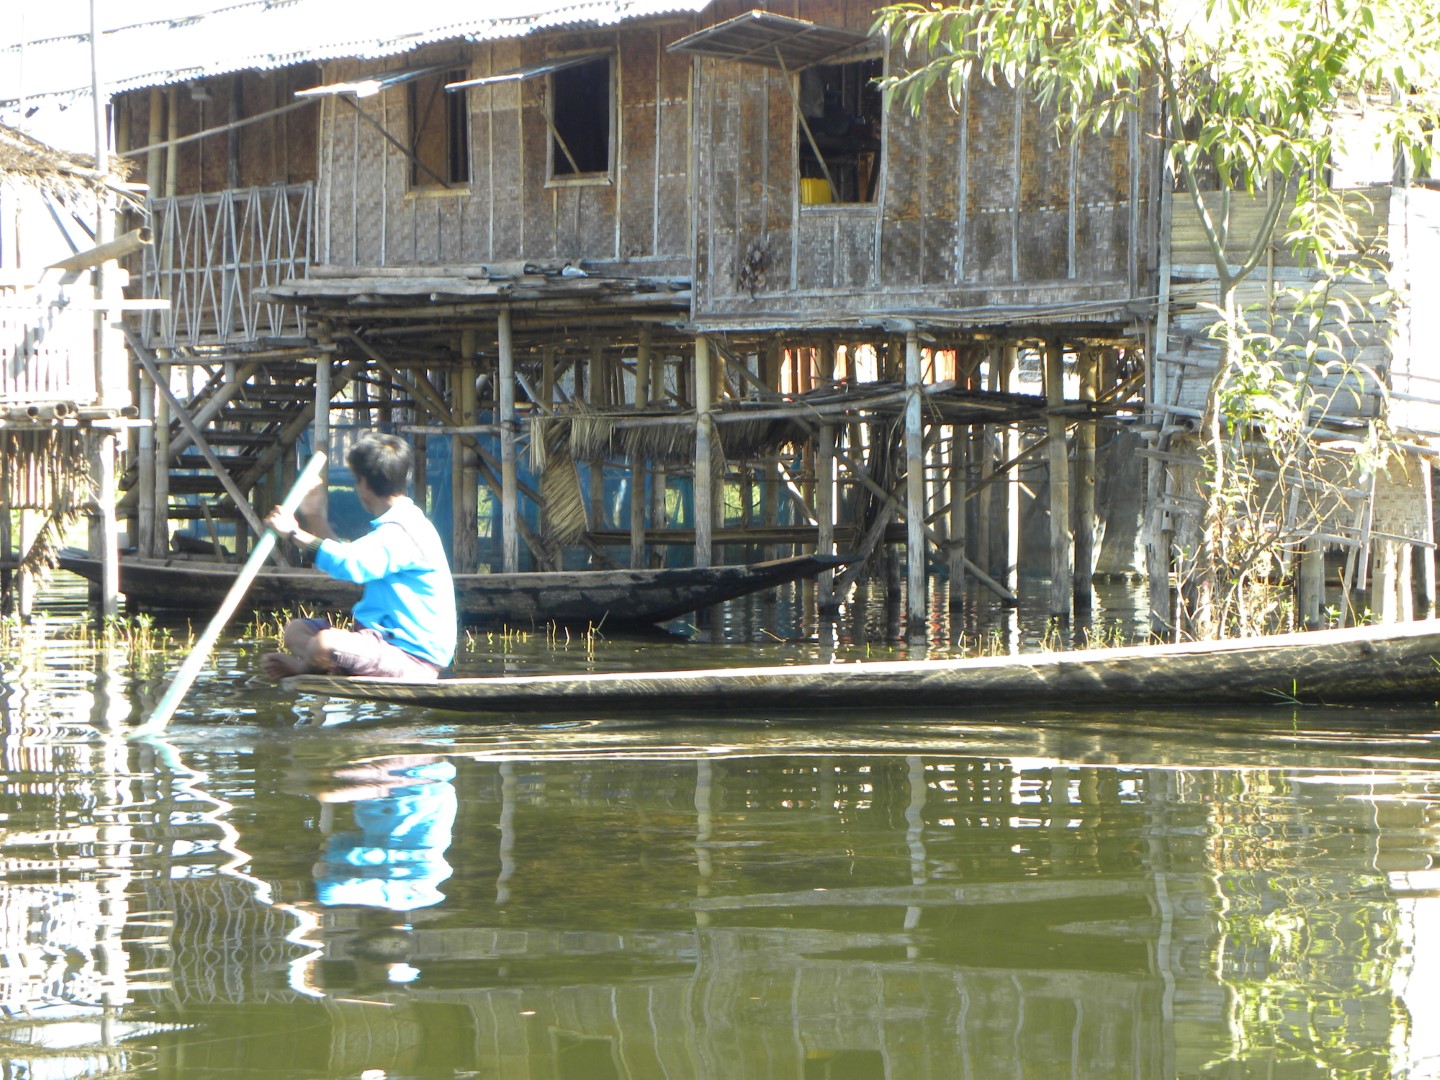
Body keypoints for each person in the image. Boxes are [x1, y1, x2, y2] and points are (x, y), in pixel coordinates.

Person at [261, 434, 456, 681]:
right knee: (295, 631)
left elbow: (351, 564)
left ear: (363, 483)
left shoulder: (403, 530)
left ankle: (307, 668)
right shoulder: (397, 524)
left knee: (323, 645)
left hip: (410, 657)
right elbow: (350, 558)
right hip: (377, 640)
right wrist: (314, 516)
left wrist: (292, 533)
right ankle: (327, 663)